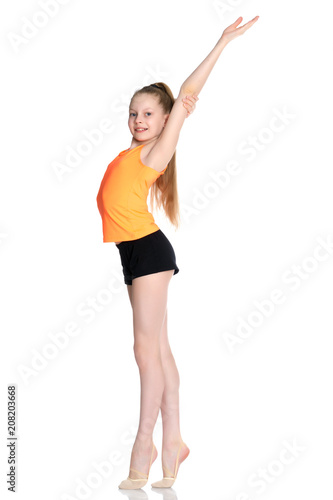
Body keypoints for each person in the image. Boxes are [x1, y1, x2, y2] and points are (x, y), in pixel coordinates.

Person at [96, 15, 259, 490]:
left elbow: (186, 90)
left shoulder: (155, 153)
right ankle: (175, 443)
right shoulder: (131, 150)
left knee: (144, 352)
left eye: (148, 114)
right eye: (134, 113)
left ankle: (143, 445)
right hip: (135, 255)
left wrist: (221, 43)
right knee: (159, 351)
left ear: (167, 119)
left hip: (148, 253)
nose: (139, 120)